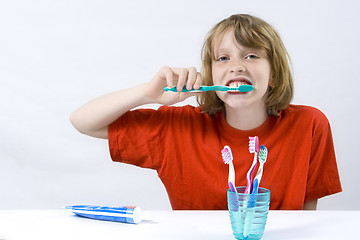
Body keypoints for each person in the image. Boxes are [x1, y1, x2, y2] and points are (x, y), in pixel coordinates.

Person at [70, 14, 342, 210]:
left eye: (251, 56)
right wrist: (147, 94)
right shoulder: (179, 127)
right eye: (223, 58)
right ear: (211, 73)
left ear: (273, 75)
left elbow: (306, 218)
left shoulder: (309, 125)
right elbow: (82, 121)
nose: (236, 66)